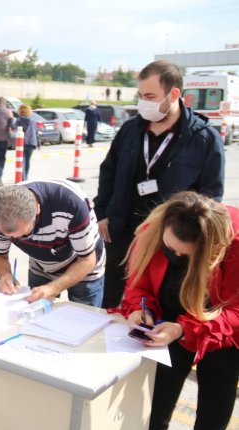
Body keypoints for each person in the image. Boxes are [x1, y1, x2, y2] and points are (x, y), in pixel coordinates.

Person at [116, 191, 238, 430]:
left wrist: (185, 328)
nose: (175, 256)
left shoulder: (236, 248)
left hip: (220, 320)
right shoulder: (155, 229)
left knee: (218, 384)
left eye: (185, 254)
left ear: (213, 249)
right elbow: (138, 282)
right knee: (164, 375)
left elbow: (236, 311)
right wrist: (139, 309)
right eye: (170, 249)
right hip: (170, 312)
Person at [94, 60, 224, 309]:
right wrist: (102, 213)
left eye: (150, 96)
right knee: (110, 302)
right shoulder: (131, 129)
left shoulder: (205, 139)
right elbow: (108, 170)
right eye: (141, 95)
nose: (144, 102)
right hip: (121, 233)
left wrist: (186, 238)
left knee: (158, 306)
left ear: (174, 94)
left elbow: (211, 196)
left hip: (168, 241)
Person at [0, 180, 105, 307]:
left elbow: (87, 260)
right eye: (10, 237)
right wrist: (4, 275)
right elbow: (0, 255)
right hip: (41, 265)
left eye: (24, 234)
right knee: (36, 314)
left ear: (37, 209)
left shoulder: (71, 205)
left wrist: (53, 288)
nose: (17, 239)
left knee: (83, 318)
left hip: (83, 266)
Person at [15, 104, 40, 181]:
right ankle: (26, 177)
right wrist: (38, 143)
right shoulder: (32, 120)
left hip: (22, 143)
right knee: (27, 160)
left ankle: (23, 177)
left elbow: (13, 127)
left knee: (22, 160)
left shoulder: (19, 120)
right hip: (31, 143)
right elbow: (36, 132)